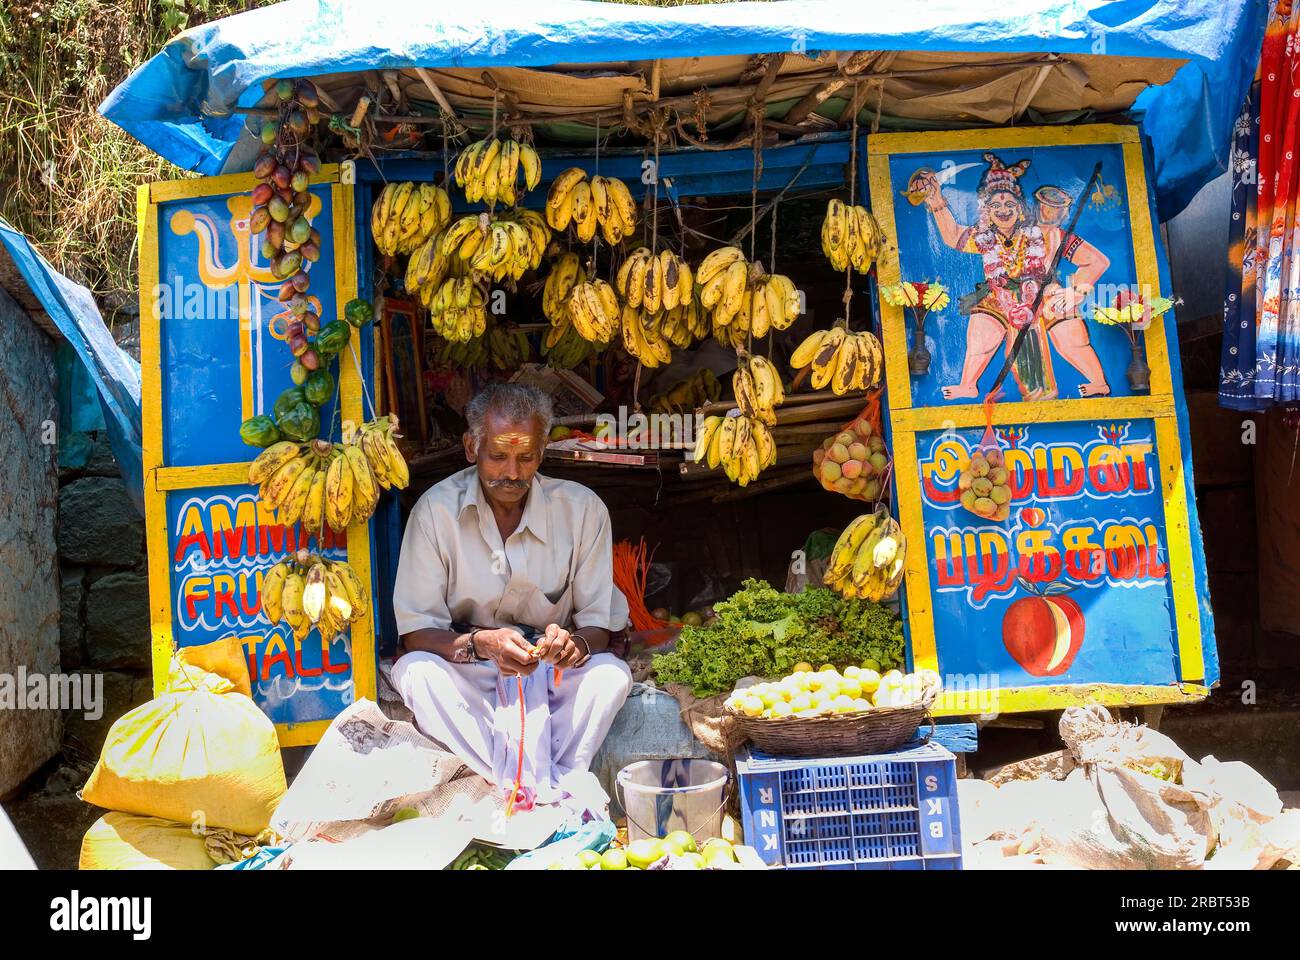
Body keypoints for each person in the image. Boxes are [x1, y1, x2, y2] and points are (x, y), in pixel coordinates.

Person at [390, 382, 632, 810]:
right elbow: (416, 633)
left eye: (526, 457)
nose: (513, 473)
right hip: (471, 670)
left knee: (610, 676)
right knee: (416, 673)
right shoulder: (435, 511)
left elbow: (598, 624)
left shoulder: (583, 510)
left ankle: (529, 787)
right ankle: (540, 787)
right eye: (498, 456)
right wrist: (479, 644)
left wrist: (571, 646)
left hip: (553, 676)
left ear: (542, 452)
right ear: (471, 448)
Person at [914, 153, 1111, 400]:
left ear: (1020, 208)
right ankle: (968, 384)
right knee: (981, 329)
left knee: (1070, 334)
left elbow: (1097, 261)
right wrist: (936, 201)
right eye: (995, 206)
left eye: (1009, 205)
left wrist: (1076, 291)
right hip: (1000, 294)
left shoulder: (1045, 234)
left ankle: (1099, 382)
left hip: (1043, 292)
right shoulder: (983, 236)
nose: (1003, 211)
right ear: (986, 211)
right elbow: (953, 236)